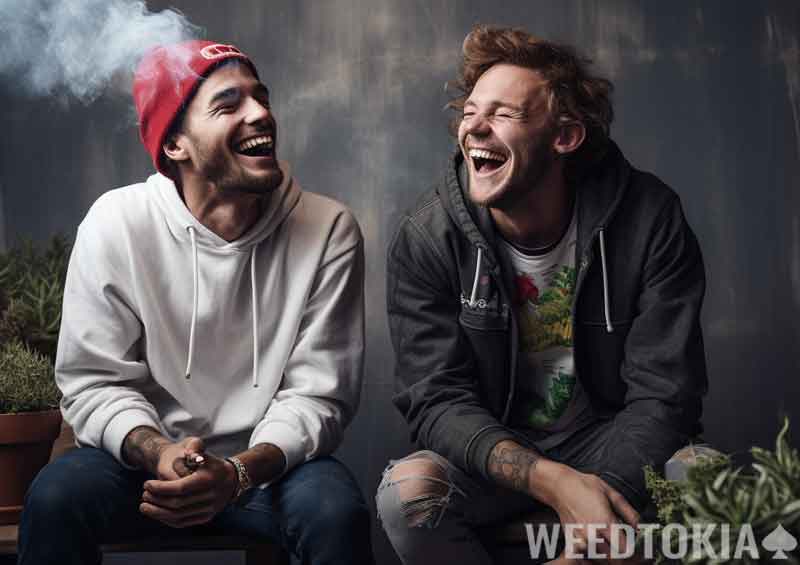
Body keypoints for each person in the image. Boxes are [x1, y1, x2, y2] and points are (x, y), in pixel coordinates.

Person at [18, 40, 373, 565]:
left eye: (261, 98)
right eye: (228, 105)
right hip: (142, 466)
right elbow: (94, 383)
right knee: (53, 500)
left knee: (336, 513)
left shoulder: (328, 229)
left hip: (267, 470)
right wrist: (159, 452)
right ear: (177, 145)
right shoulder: (116, 225)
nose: (262, 115)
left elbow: (318, 396)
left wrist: (237, 473)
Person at [376, 25, 707, 564]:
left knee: (705, 477)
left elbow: (665, 393)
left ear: (565, 137)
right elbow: (436, 401)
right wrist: (553, 483)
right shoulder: (427, 235)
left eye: (503, 115)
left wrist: (592, 505)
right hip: (494, 458)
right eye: (469, 112)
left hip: (616, 444)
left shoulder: (650, 218)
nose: (475, 129)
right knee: (408, 496)